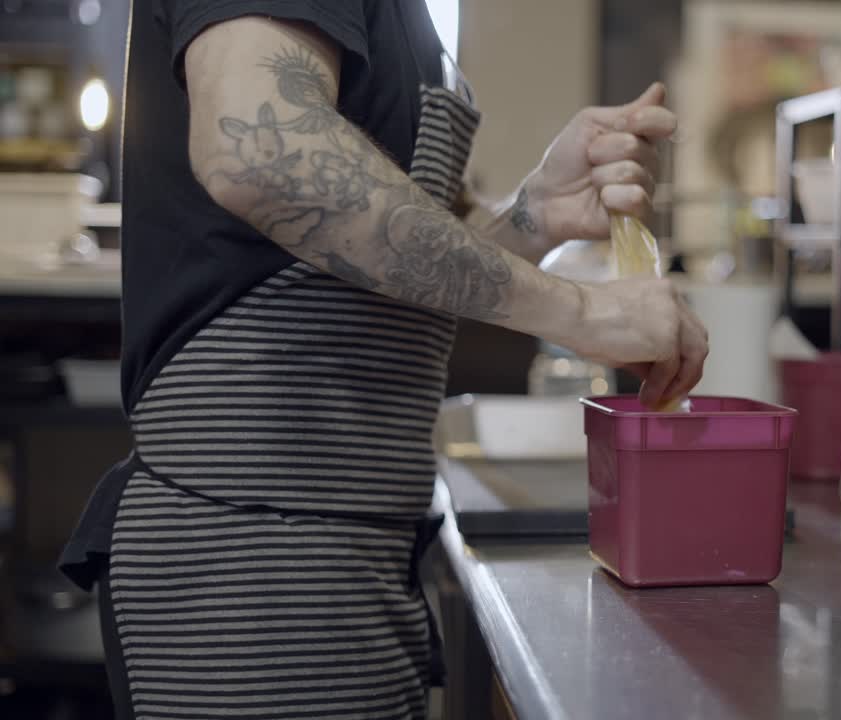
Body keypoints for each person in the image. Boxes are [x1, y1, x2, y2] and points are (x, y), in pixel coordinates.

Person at [58, 1, 708, 717]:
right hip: (253, 559)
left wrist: (533, 215)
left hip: (344, 549)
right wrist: (582, 311)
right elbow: (261, 155)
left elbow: (370, 262)